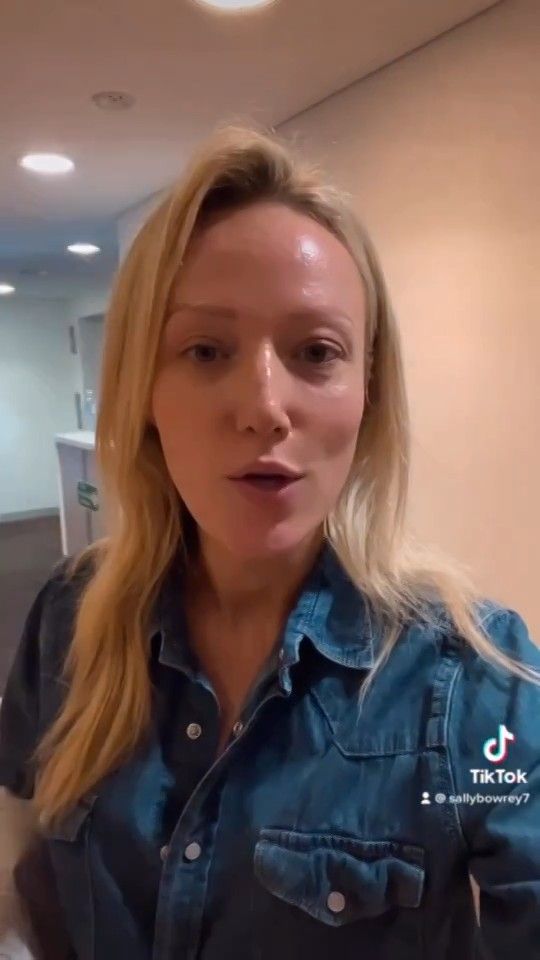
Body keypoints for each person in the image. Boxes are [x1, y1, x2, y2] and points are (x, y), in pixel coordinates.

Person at [1, 121, 539, 960]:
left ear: (368, 391)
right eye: (205, 349)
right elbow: (23, 857)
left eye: (316, 351)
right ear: (144, 390)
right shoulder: (70, 619)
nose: (263, 406)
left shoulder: (474, 681)